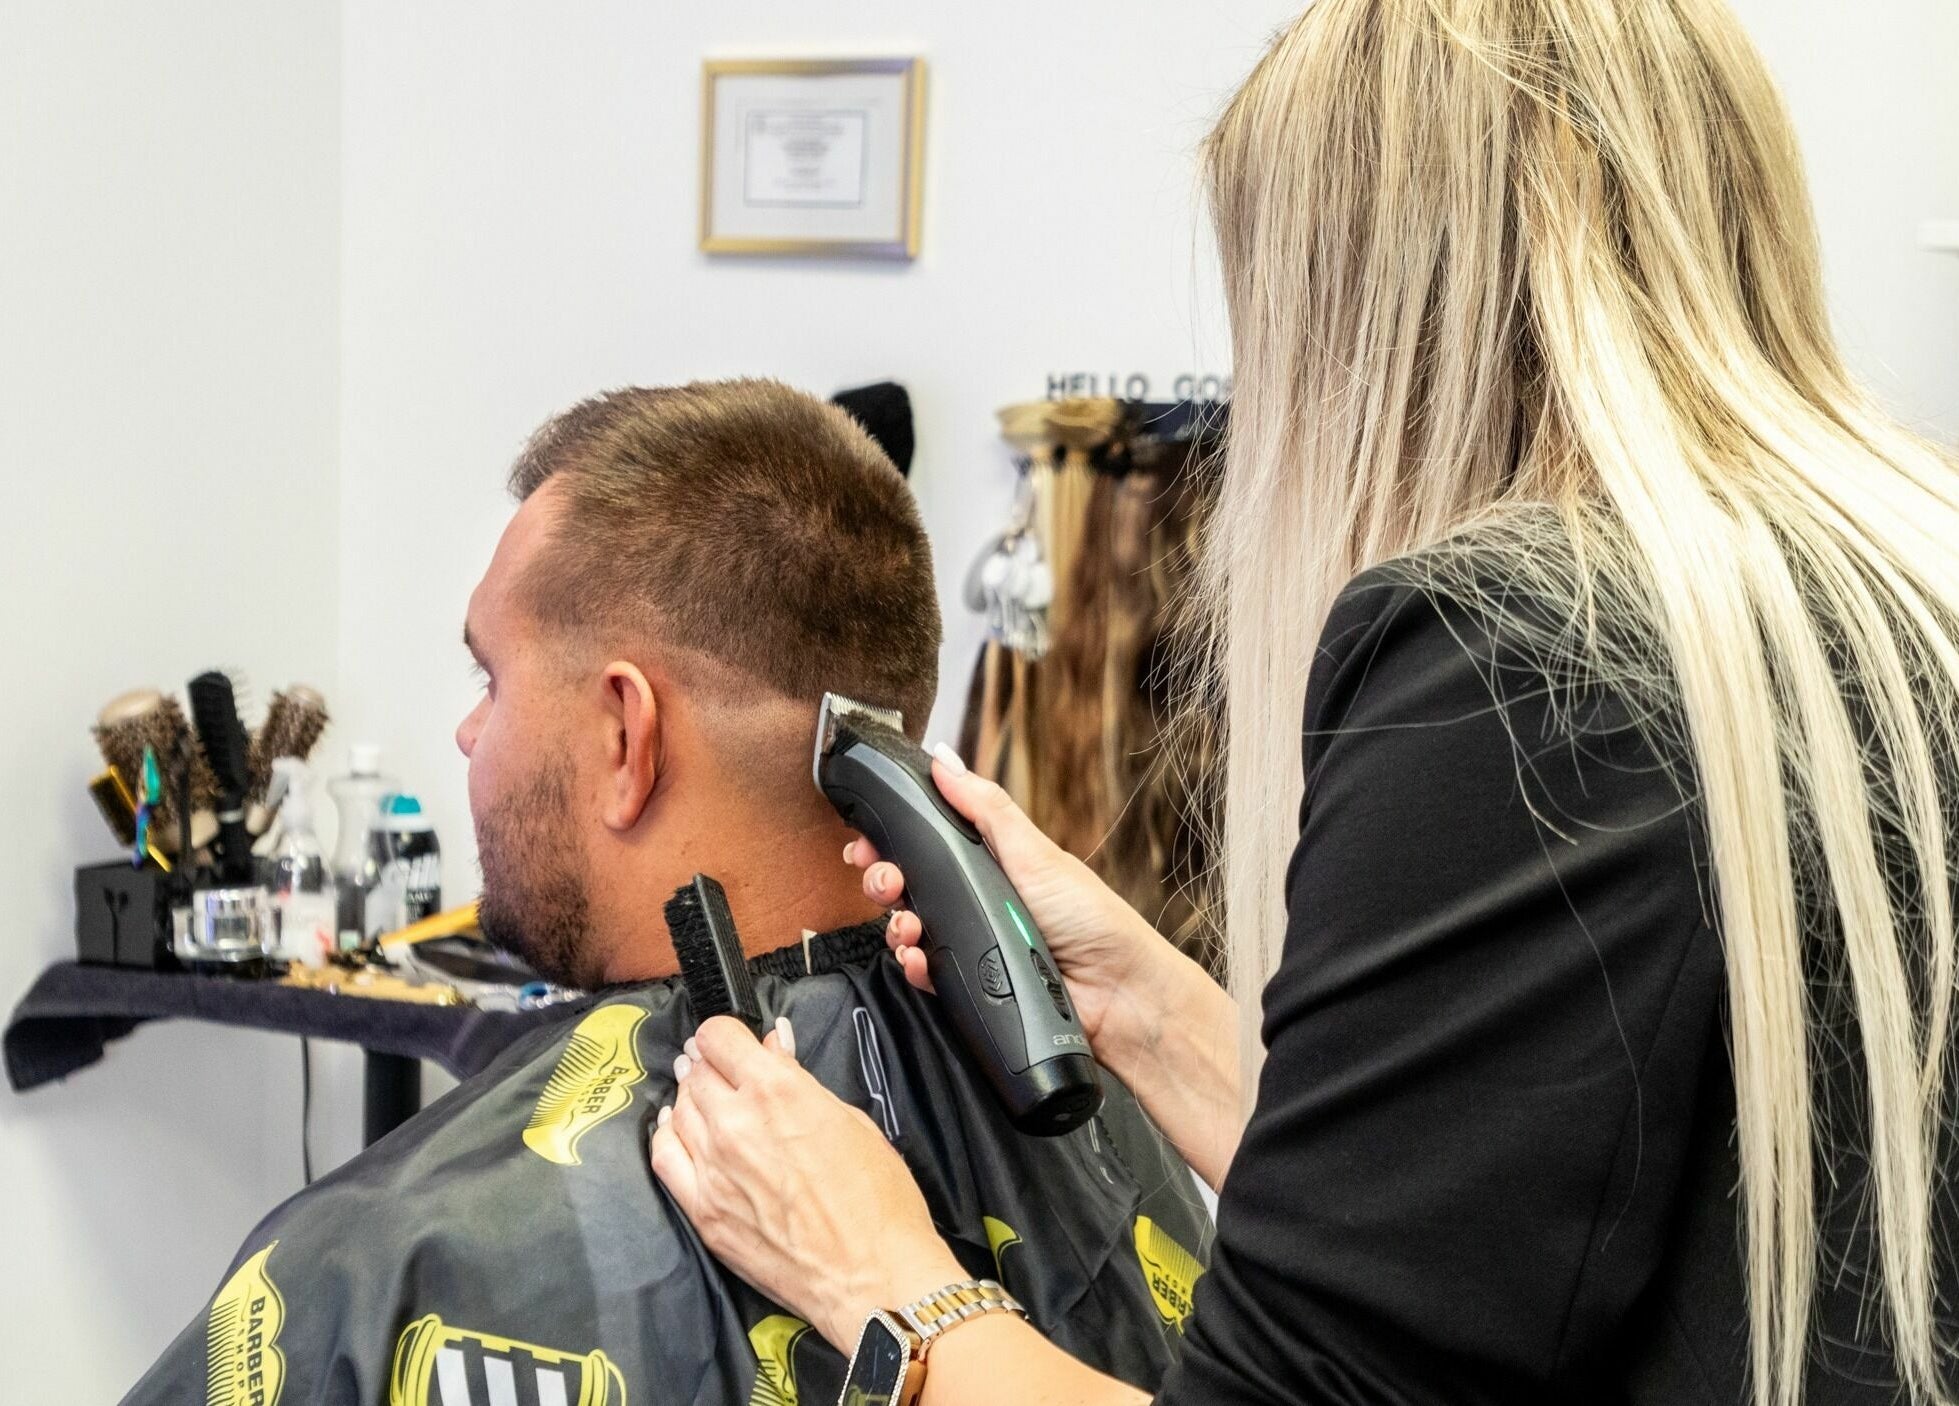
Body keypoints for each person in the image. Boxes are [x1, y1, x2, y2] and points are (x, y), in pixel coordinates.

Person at [652, 5, 1959, 1404]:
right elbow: (1516, 1214)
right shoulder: (1890, 595)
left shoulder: (1518, 652)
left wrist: (882, 1284)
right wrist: (1149, 1008)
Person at [122, 381, 1211, 1406]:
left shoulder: (373, 1264)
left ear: (625, 732)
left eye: (489, 678)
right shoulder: (1109, 1107)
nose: (469, 731)